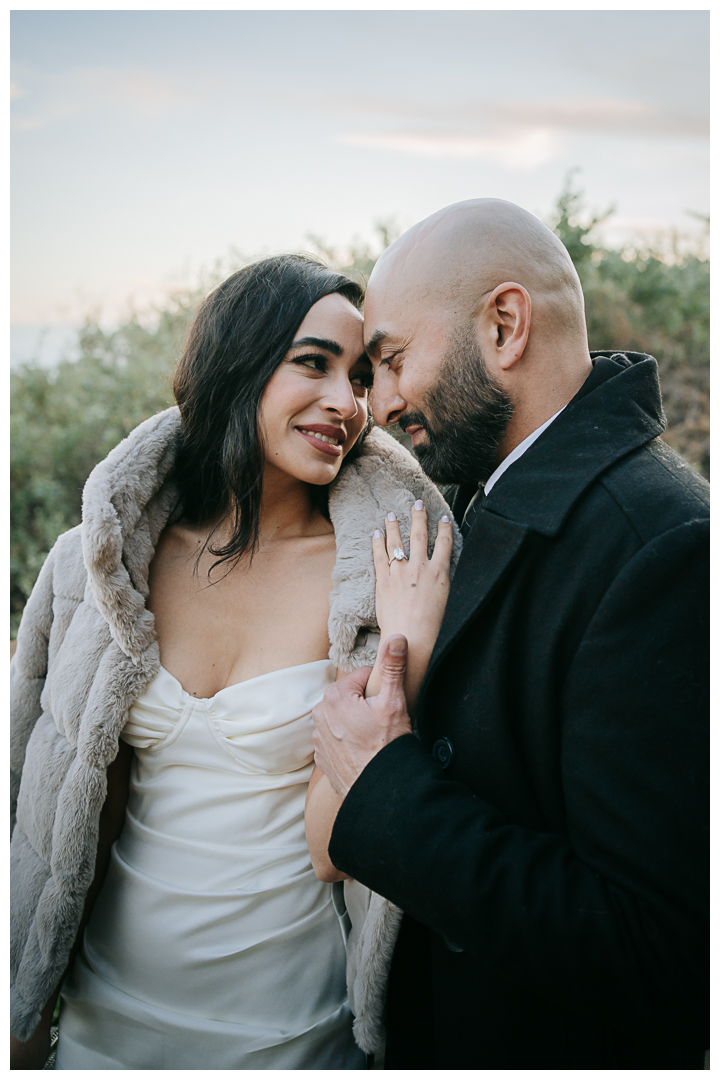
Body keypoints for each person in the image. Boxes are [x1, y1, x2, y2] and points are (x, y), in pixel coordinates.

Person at [9, 254, 460, 1069]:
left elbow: (337, 846)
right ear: (238, 360)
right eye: (313, 364)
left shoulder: (379, 578)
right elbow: (55, 803)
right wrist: (24, 1005)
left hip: (288, 1036)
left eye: (359, 377)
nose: (346, 403)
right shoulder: (97, 564)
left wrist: (407, 649)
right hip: (100, 1027)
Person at [311, 200, 709, 1069]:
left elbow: (663, 955)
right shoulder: (484, 492)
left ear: (504, 325)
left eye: (392, 360)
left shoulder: (663, 550)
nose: (380, 406)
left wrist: (386, 786)